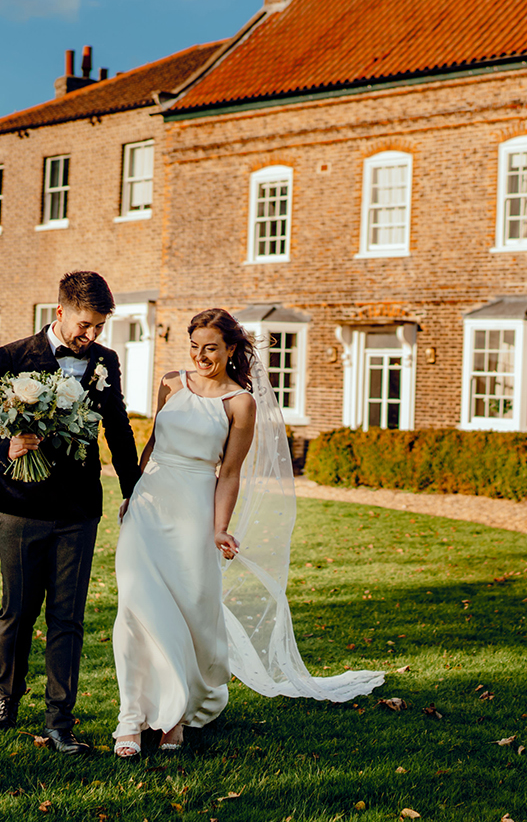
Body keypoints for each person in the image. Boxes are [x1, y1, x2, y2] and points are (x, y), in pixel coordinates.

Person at [110, 309, 382, 758]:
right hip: (149, 506)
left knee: (188, 615)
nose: (200, 356)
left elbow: (230, 473)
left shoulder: (241, 403)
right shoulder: (171, 382)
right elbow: (154, 443)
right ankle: (129, 720)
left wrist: (220, 527)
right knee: (135, 609)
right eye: (195, 346)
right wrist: (133, 491)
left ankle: (174, 718)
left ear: (231, 348)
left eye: (211, 347)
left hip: (194, 510)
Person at [0, 271, 140, 755]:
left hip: (78, 510)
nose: (91, 337)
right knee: (17, 613)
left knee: (67, 617)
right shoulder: (12, 356)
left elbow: (119, 430)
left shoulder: (105, 362)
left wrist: (134, 491)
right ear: (60, 312)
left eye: (99, 328)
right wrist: (7, 447)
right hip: (20, 508)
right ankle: (7, 697)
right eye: (85, 326)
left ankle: (59, 720)